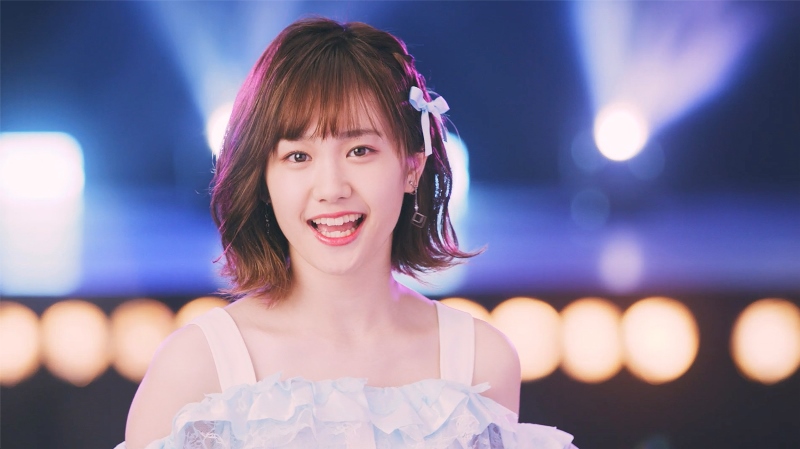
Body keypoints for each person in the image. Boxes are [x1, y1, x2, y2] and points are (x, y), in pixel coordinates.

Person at [119, 17, 576, 449]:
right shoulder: (197, 364)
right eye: (298, 157)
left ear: (412, 167)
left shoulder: (479, 360)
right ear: (263, 180)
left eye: (359, 150)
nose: (332, 189)